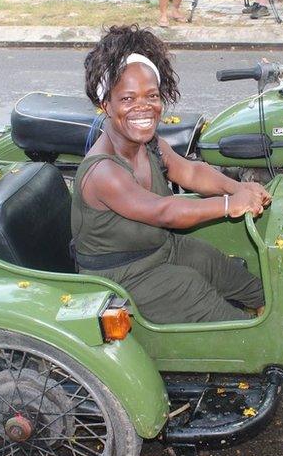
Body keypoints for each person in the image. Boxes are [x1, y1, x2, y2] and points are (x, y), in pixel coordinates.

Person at [73, 25, 270, 324]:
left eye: (151, 96)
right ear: (105, 105)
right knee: (196, 294)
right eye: (127, 99)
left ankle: (269, 308)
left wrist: (239, 188)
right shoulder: (104, 171)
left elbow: (189, 171)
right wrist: (230, 205)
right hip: (121, 277)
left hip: (158, 248)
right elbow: (165, 211)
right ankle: (251, 337)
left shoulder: (148, 143)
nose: (143, 107)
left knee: (216, 264)